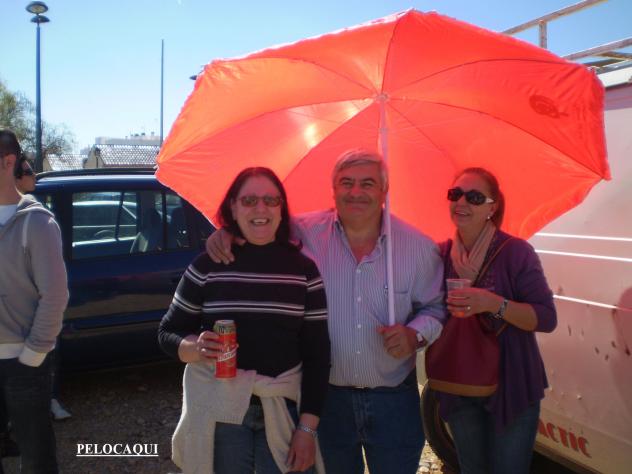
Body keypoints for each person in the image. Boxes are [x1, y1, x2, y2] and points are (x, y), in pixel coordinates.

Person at [207, 150, 446, 474]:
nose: (356, 192)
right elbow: (258, 225)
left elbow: (435, 307)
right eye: (346, 183)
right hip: (325, 401)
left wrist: (414, 334)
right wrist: (227, 232)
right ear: (333, 189)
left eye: (367, 183)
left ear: (384, 190)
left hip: (393, 400)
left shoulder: (418, 247)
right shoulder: (302, 233)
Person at [158, 167, 330, 473]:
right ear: (233, 208)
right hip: (221, 413)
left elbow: (318, 355)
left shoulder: (304, 272)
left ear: (281, 209)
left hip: (283, 410)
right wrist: (194, 348)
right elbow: (167, 332)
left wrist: (307, 429)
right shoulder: (208, 265)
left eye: (270, 200)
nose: (261, 208)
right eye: (249, 200)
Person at [436, 167, 557, 474]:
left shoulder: (516, 252)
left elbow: (546, 318)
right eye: (455, 194)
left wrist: (493, 304)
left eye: (474, 197)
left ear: (492, 207)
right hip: (460, 383)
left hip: (511, 383)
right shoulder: (441, 255)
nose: (462, 202)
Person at [0, 129, 68, 472]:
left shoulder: (37, 222)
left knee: (36, 457)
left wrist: (33, 355)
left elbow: (55, 295)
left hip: (22, 363)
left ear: (8, 161)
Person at [13, 156, 72, 422]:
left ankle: (50, 398)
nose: (34, 175)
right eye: (28, 171)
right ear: (13, 177)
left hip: (42, 303)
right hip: (20, 310)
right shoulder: (15, 216)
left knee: (49, 349)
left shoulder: (38, 215)